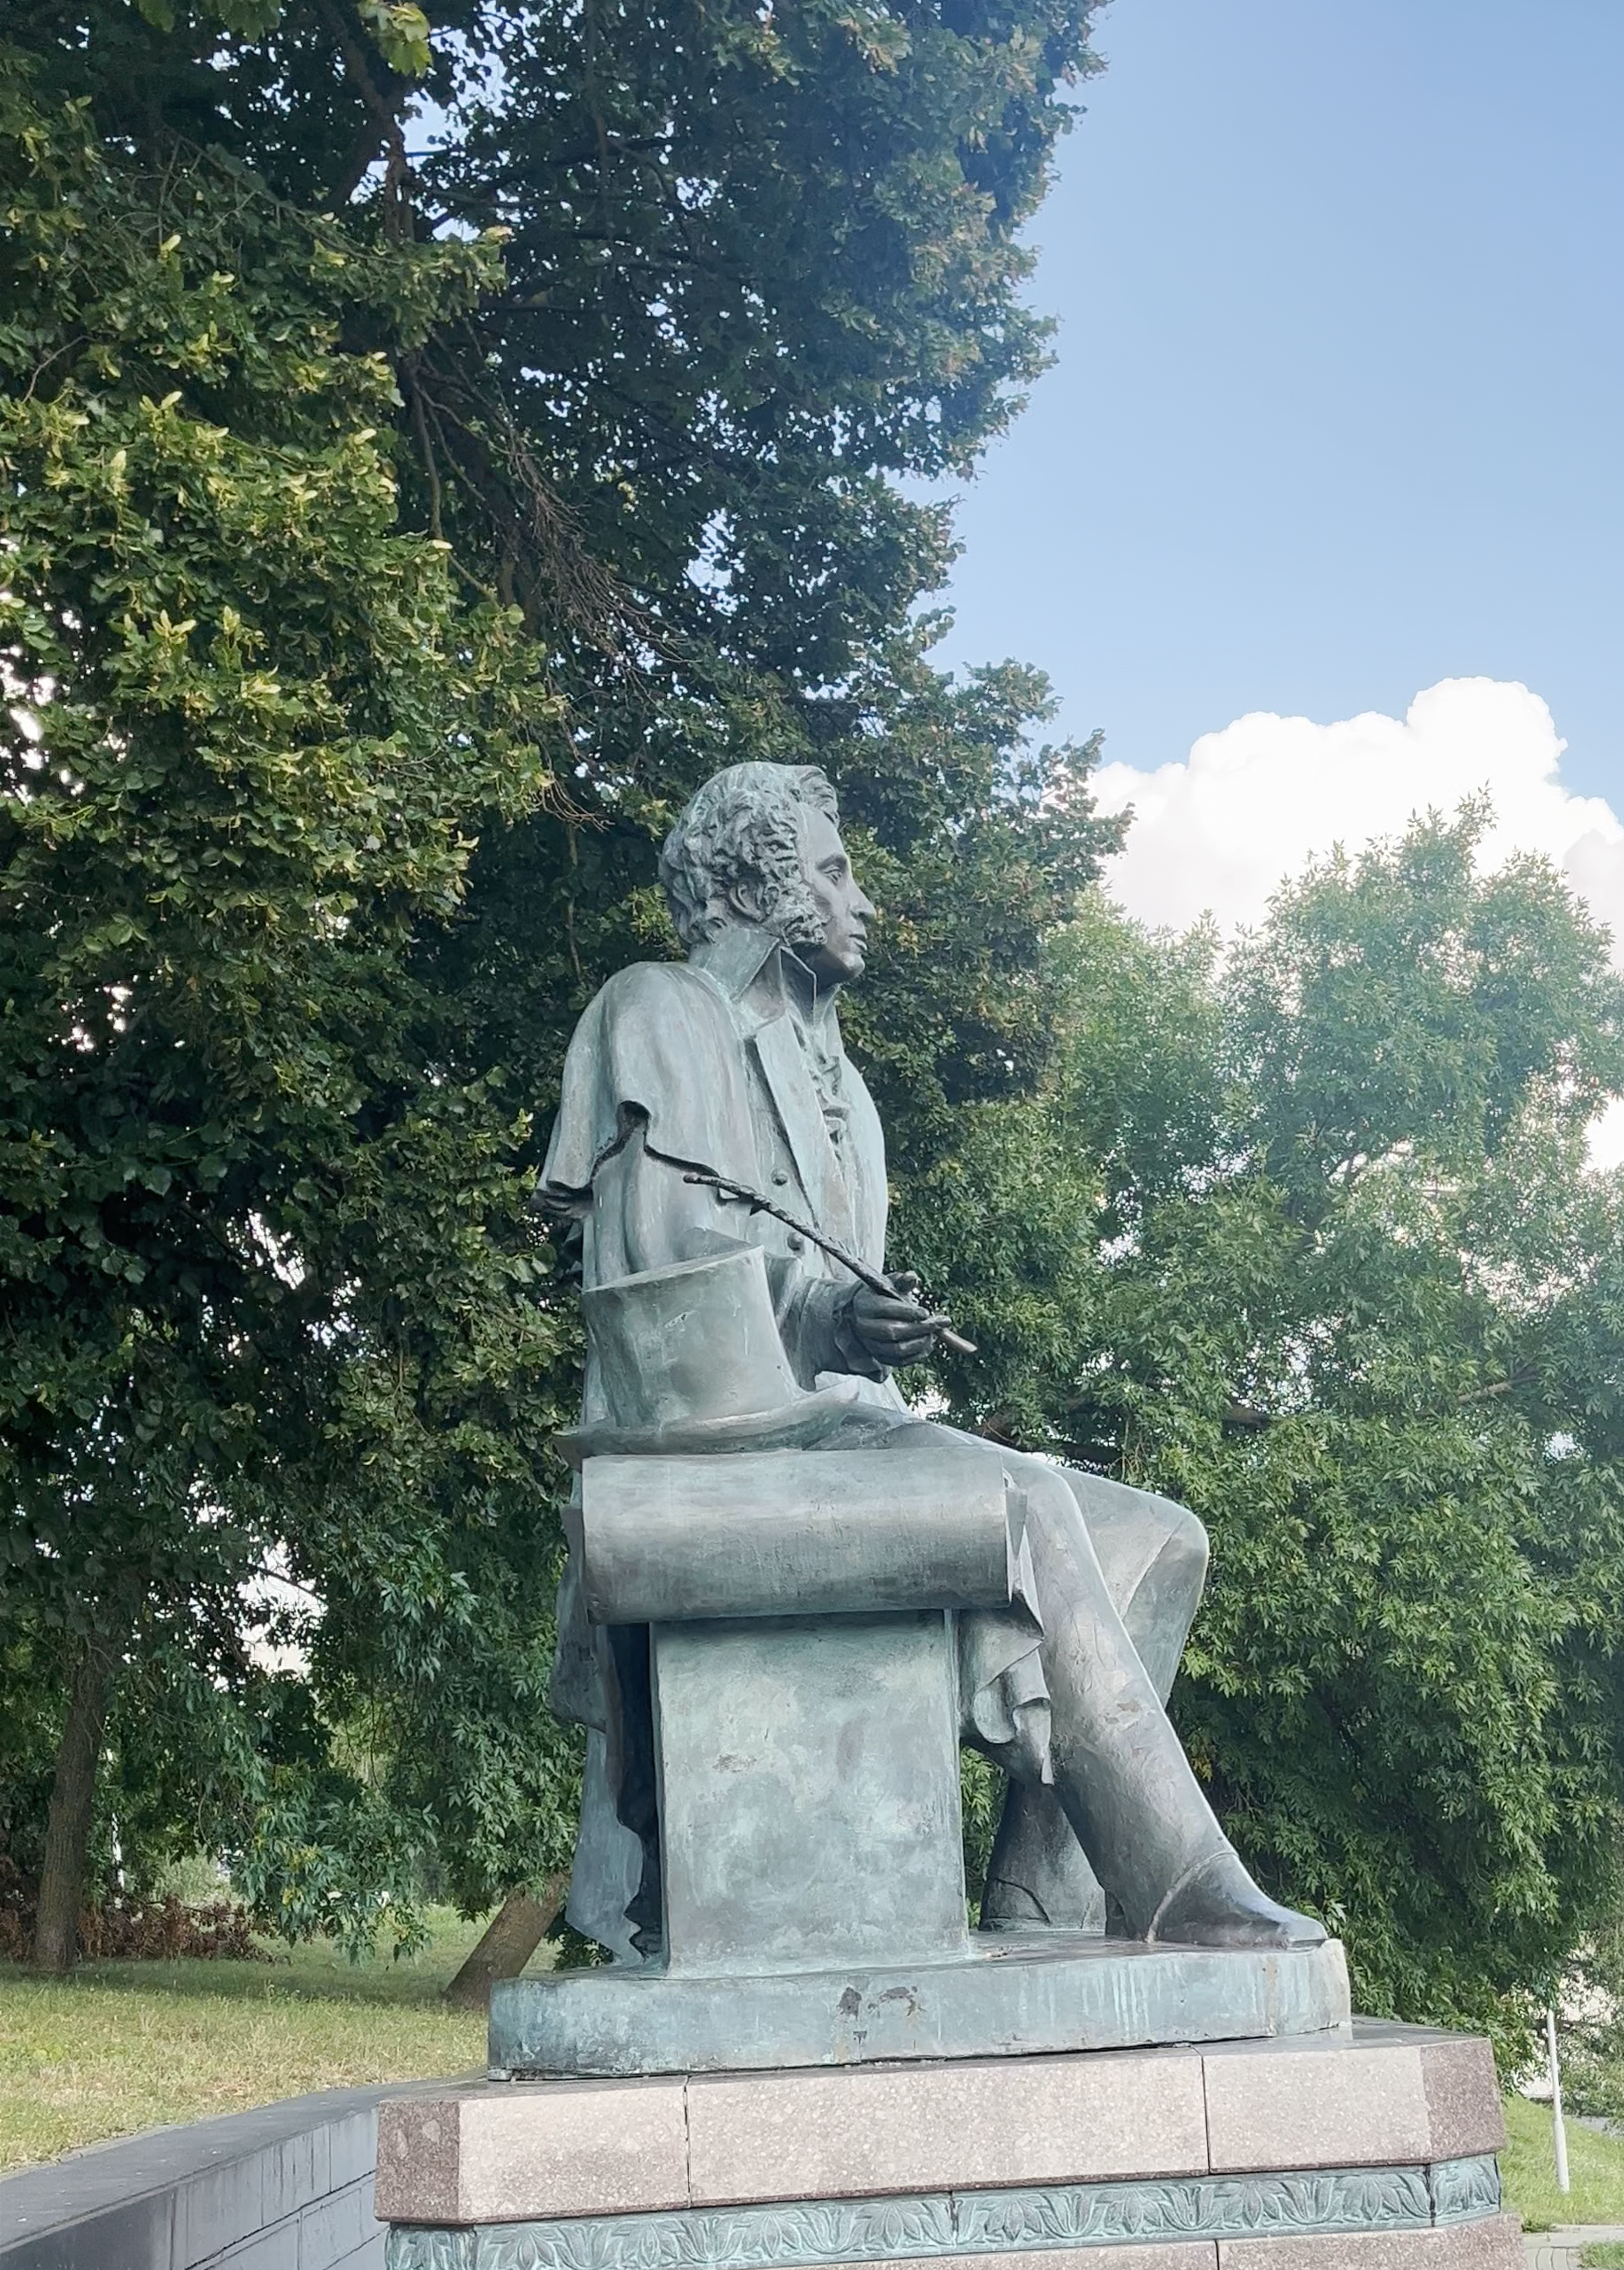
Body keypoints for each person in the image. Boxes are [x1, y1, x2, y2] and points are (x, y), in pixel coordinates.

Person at [540, 760, 1325, 1964]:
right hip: (712, 1448)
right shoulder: (662, 1011)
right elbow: (660, 1268)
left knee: (1161, 1540)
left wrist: (868, 1323)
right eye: (833, 870)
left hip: (842, 1434)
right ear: (760, 883)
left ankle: (1043, 1903)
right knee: (1027, 1494)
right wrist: (831, 1312)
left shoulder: (846, 1085)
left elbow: (835, 1313)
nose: (862, 901)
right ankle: (1184, 1885)